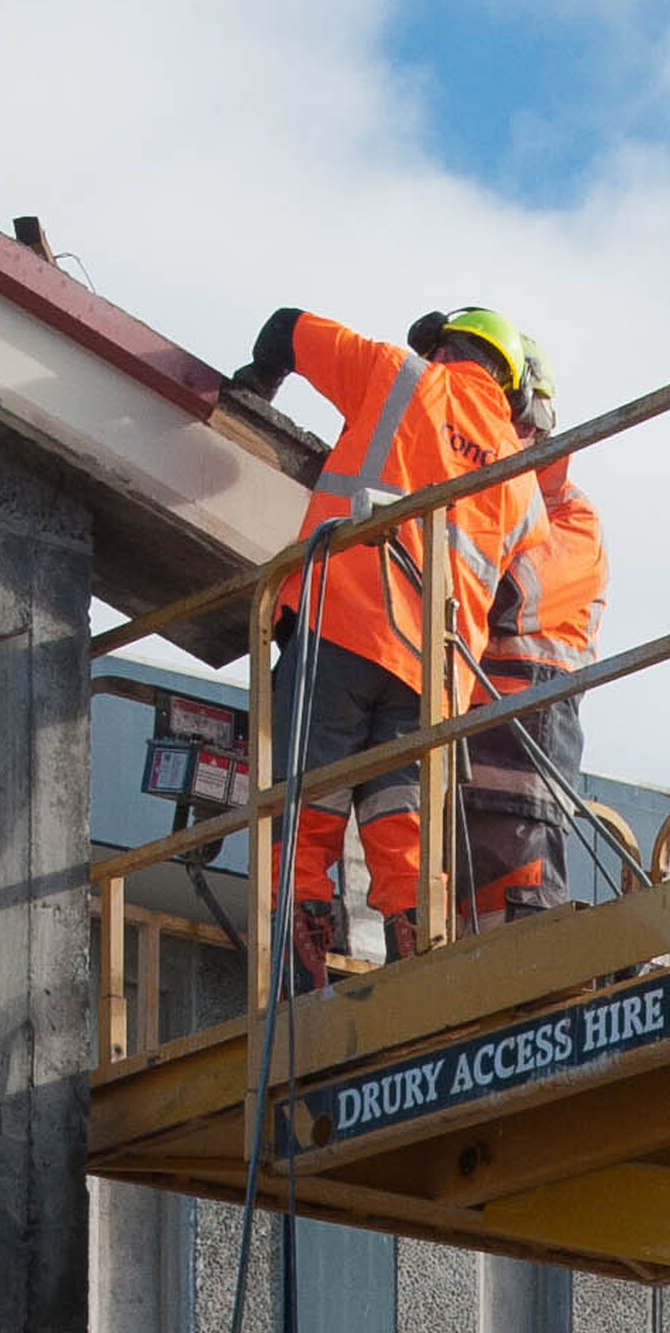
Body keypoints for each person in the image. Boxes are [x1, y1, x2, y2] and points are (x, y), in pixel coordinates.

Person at [222, 302, 550, 987]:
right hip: (433, 677)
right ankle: (415, 966)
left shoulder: (398, 376)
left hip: (343, 622)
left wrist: (253, 386)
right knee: (401, 823)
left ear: (443, 345)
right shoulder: (523, 482)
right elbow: (519, 601)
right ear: (511, 385)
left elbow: (285, 326)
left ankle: (295, 972)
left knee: (305, 805)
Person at [464, 439, 608, 922]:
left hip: (523, 753)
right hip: (460, 761)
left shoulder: (570, 519)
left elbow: (509, 596)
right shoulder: (484, 506)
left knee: (521, 931)